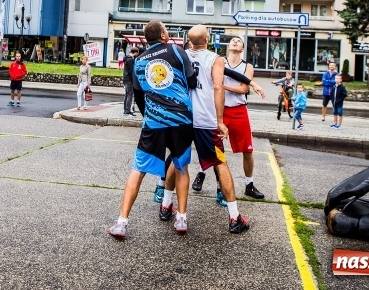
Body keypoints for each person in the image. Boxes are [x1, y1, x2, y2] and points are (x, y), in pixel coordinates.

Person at [108, 20, 196, 238]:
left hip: (154, 122)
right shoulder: (177, 50)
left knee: (138, 169)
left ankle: (121, 222)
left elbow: (138, 96)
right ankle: (182, 218)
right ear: (164, 36)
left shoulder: (138, 62)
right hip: (181, 120)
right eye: (166, 30)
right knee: (181, 165)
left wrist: (150, 114)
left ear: (147, 39)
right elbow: (192, 80)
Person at [175, 25, 251, 233]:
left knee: (178, 161)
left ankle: (169, 207)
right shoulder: (215, 59)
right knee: (220, 163)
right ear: (208, 38)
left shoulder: (180, 56)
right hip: (205, 120)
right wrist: (220, 120)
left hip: (182, 117)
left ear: (190, 41)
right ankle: (234, 217)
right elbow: (218, 87)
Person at [220, 35, 265, 201]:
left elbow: (243, 89)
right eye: (233, 40)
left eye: (239, 41)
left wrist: (221, 86)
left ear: (242, 48)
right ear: (229, 45)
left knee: (247, 150)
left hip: (238, 110)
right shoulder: (220, 61)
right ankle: (207, 178)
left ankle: (249, 185)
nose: (235, 41)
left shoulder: (247, 66)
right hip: (220, 109)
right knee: (214, 147)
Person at [122, 47, 139, 116]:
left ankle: (125, 109)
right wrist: (134, 80)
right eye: (137, 53)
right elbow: (131, 71)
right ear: (135, 53)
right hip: (129, 80)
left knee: (126, 95)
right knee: (130, 95)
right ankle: (127, 111)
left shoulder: (126, 58)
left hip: (125, 79)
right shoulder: (131, 60)